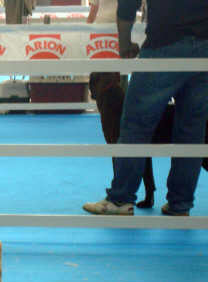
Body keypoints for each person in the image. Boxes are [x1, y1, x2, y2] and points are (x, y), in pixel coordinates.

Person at [83, 0, 208, 216]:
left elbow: (127, 3)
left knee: (135, 125)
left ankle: (120, 199)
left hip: (164, 42)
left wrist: (124, 43)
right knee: (192, 131)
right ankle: (180, 204)